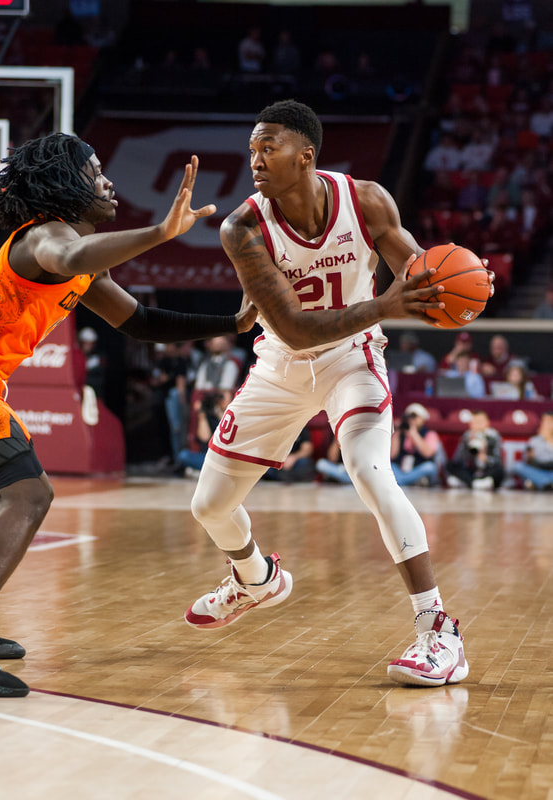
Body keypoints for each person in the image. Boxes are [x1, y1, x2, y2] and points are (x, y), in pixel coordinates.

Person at [184, 99, 484, 688]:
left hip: (353, 358)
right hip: (281, 364)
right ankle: (256, 579)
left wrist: (462, 289)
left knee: (369, 471)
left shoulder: (365, 201)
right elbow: (295, 330)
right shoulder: (242, 227)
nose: (255, 161)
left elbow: (422, 277)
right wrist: (385, 304)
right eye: (252, 150)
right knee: (209, 506)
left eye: (268, 148)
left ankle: (438, 631)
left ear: (306, 155)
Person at [0, 134, 257, 697]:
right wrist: (160, 232)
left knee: (22, 495)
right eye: (95, 171)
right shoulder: (44, 238)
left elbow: (140, 323)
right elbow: (71, 256)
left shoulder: (82, 263)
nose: (108, 182)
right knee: (28, 496)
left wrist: (231, 324)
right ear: (65, 185)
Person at [446, 410, 504, 490]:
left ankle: (470, 482)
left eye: (480, 422)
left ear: (487, 423)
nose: (478, 425)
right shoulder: (467, 436)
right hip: (471, 471)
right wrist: (468, 447)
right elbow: (458, 460)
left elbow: (498, 461)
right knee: (450, 465)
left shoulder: (494, 436)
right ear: (470, 424)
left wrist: (486, 458)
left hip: (487, 471)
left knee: (499, 471)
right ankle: (474, 483)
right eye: (475, 422)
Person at [390, 403, 444, 487]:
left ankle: (401, 481)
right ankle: (409, 480)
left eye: (414, 417)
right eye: (409, 417)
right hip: (402, 469)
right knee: (391, 466)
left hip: (419, 468)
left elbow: (427, 453)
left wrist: (413, 433)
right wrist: (397, 432)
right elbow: (392, 455)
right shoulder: (400, 434)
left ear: (422, 419)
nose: (411, 420)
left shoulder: (430, 434)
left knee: (429, 467)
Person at [510, 411, 553, 490]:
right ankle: (546, 483)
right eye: (544, 421)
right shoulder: (534, 440)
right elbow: (528, 460)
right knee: (518, 466)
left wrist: (549, 441)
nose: (547, 425)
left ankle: (540, 483)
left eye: (550, 421)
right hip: (538, 471)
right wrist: (530, 457)